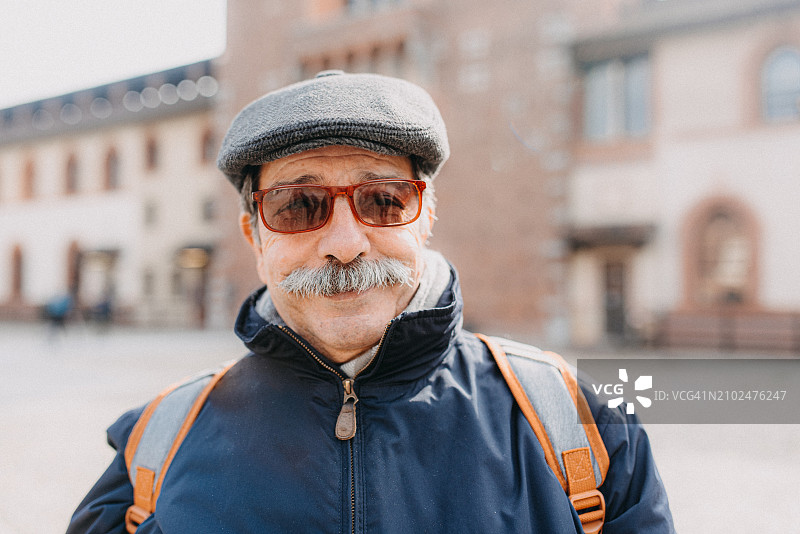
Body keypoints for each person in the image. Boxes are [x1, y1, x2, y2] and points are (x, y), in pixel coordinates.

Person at [68, 71, 674, 533]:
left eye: (383, 199)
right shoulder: (154, 452)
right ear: (254, 235)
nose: (345, 244)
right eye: (297, 205)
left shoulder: (581, 425)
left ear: (426, 215)